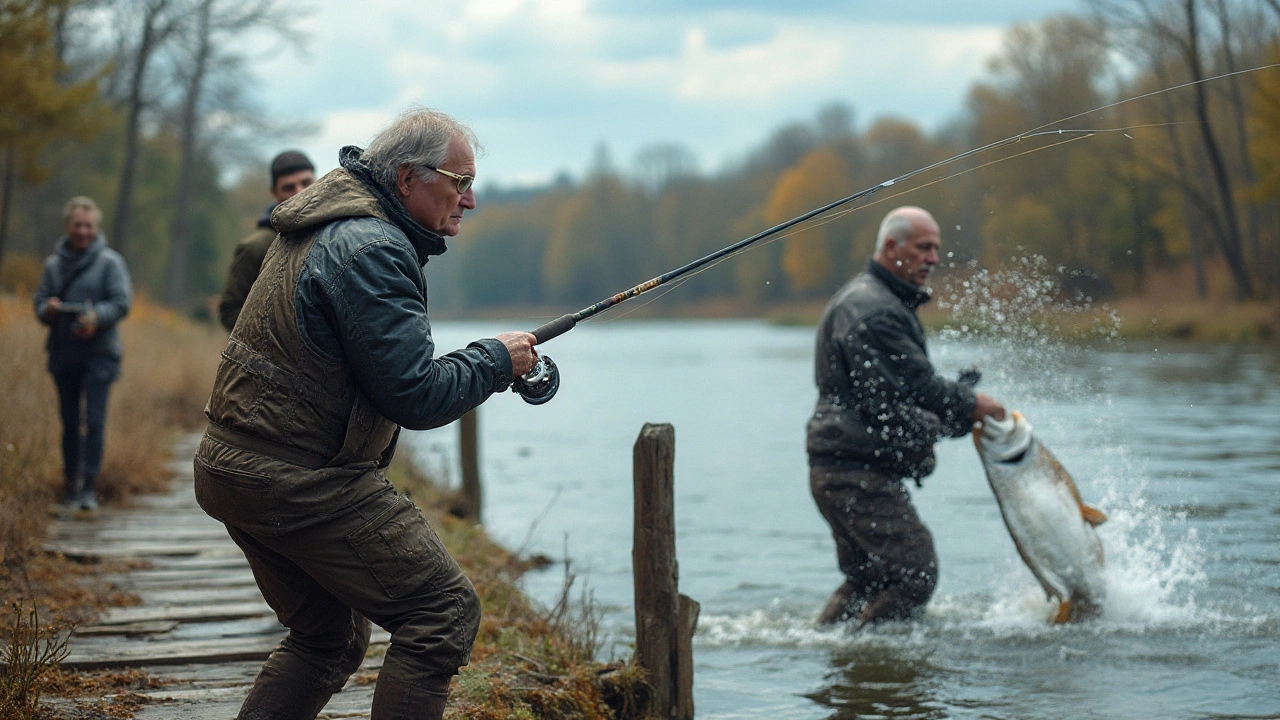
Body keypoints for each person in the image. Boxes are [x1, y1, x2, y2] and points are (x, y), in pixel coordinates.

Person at [193, 108, 538, 720]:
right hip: (295, 477)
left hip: (235, 467)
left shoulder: (334, 225)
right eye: (458, 182)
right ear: (407, 178)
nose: (471, 199)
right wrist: (494, 360)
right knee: (442, 612)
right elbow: (416, 395)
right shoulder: (371, 247)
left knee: (328, 639)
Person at [806, 205, 1005, 627]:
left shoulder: (874, 301)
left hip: (841, 468)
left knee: (869, 580)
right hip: (856, 472)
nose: (933, 258)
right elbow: (916, 391)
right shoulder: (875, 310)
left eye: (936, 248)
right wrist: (970, 406)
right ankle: (872, 670)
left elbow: (899, 400)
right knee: (914, 575)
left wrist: (956, 413)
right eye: (923, 247)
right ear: (892, 247)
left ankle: (833, 656)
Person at [34, 196, 134, 511]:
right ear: (68, 226)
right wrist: (48, 310)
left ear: (96, 227)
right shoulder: (54, 264)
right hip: (63, 353)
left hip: (100, 354)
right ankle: (70, 487)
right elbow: (38, 304)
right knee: (68, 422)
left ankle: (88, 488)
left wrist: (95, 317)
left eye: (88, 225)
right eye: (77, 224)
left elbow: (121, 303)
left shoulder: (110, 262)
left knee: (94, 421)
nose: (82, 231)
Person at [217, 150, 316, 331]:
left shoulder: (336, 236)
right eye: (288, 187)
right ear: (274, 193)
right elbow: (230, 311)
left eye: (306, 183)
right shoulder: (256, 247)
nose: (299, 192)